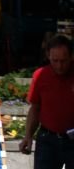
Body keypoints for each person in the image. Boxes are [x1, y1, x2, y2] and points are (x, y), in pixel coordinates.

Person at [19, 34, 74, 169]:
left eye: (63, 61)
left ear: (72, 57)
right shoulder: (40, 75)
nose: (59, 66)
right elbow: (35, 108)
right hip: (48, 140)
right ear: (48, 56)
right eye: (55, 60)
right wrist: (28, 136)